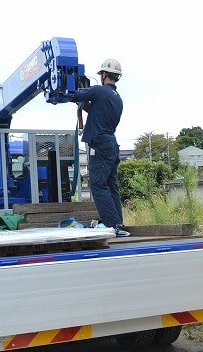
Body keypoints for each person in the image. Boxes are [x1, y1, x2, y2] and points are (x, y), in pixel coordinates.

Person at [71, 58, 129, 237]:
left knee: (97, 184)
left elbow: (73, 95)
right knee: (111, 185)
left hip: (100, 145)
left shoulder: (98, 91)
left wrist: (67, 88)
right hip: (111, 144)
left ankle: (113, 225)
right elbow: (97, 110)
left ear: (104, 75)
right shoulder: (117, 99)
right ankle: (118, 222)